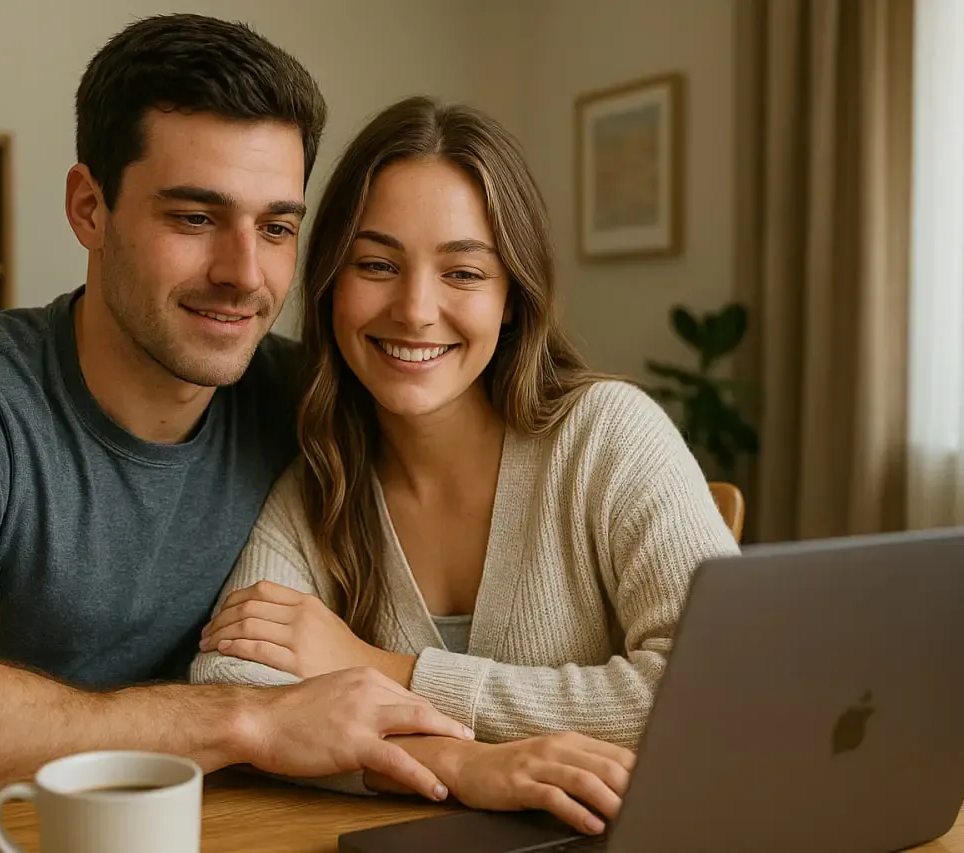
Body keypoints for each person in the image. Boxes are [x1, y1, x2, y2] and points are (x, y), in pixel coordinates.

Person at [0, 15, 475, 803]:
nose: (242, 272)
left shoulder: (306, 402)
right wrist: (250, 721)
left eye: (275, 227)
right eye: (194, 218)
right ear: (90, 208)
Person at [189, 95, 741, 834]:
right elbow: (233, 688)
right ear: (329, 286)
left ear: (512, 296)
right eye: (378, 264)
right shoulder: (320, 478)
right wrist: (463, 766)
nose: (416, 310)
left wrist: (384, 669)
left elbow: (719, 694)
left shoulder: (608, 436)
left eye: (464, 273)